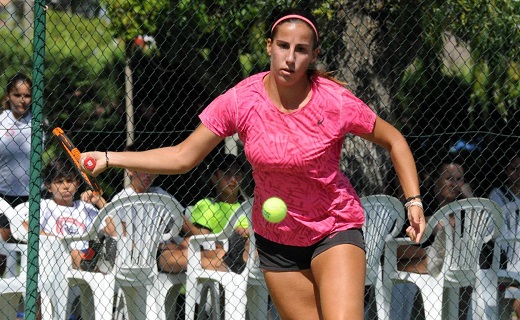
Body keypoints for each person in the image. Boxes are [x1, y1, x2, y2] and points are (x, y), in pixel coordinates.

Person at [80, 8, 425, 319]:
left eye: (301, 50)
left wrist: (413, 200)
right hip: (277, 240)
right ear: (269, 46)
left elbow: (394, 140)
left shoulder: (333, 101)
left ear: (313, 55)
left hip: (333, 228)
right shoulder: (241, 100)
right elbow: (184, 156)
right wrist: (110, 159)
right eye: (283, 46)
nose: (290, 58)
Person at [157, 153, 250, 274]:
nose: (233, 179)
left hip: (238, 251)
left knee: (171, 255)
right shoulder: (207, 204)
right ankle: (229, 264)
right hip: (214, 252)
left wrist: (247, 232)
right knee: (168, 255)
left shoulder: (247, 208)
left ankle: (231, 262)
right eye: (227, 173)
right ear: (215, 177)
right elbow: (201, 239)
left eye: (237, 174)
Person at [19, 158, 107, 270]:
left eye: (70, 180)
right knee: (76, 253)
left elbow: (113, 229)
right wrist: (55, 239)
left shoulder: (84, 207)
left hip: (84, 255)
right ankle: (92, 266)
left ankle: (92, 264)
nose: (65, 186)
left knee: (100, 247)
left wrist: (99, 200)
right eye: (59, 182)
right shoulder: (44, 206)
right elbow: (25, 226)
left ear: (78, 182)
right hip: (52, 258)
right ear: (48, 186)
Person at [0, 73, 37, 275]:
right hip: (3, 194)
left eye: (27, 95)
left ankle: (30, 300)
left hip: (30, 195)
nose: (23, 100)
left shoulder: (38, 122)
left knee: (31, 249)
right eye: (17, 95)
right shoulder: (1, 121)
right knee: (3, 252)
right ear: (8, 95)